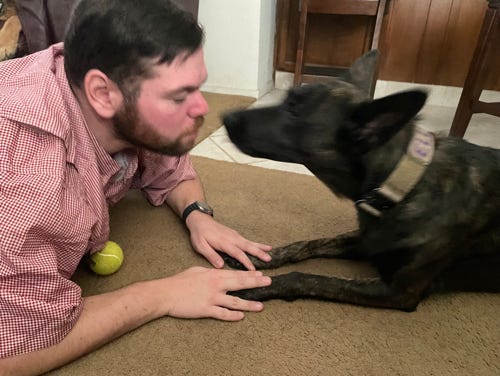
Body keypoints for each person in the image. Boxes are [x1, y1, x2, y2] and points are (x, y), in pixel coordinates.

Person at [0, 0, 273, 374]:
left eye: (198, 89)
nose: (202, 109)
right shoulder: (32, 175)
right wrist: (161, 294)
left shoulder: (91, 77)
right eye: (179, 97)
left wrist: (198, 215)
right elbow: (10, 352)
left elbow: (170, 165)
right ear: (102, 93)